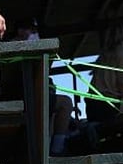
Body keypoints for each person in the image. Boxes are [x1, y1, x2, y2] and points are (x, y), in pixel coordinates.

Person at [12, 18, 76, 155]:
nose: (35, 34)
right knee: (66, 103)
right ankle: (57, 150)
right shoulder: (16, 47)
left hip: (29, 96)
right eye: (32, 30)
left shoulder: (18, 48)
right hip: (25, 97)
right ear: (20, 31)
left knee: (54, 108)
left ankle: (52, 146)